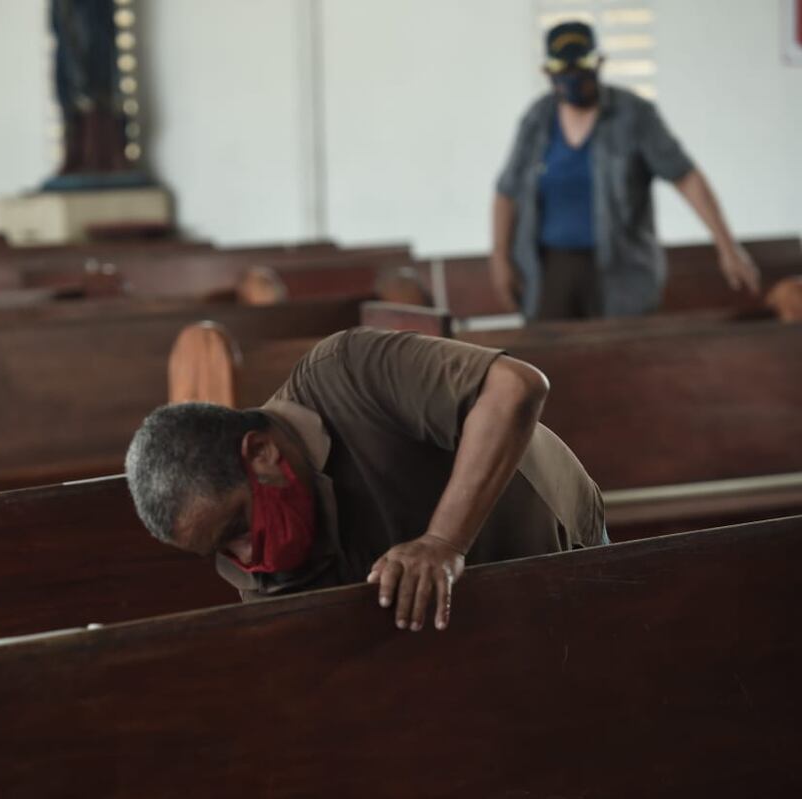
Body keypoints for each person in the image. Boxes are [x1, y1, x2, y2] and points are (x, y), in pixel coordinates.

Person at [125, 327, 606, 631]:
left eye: (237, 528)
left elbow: (515, 388)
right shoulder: (258, 573)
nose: (248, 559)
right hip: (461, 622)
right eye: (221, 551)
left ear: (262, 452)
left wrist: (442, 541)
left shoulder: (345, 372)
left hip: (551, 543)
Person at [491, 20, 760, 320]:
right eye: (563, 69)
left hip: (622, 271)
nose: (573, 77)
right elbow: (507, 192)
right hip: (550, 272)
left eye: (582, 66)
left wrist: (727, 248)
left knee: (624, 359)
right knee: (550, 362)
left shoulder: (635, 115)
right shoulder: (537, 119)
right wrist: (500, 257)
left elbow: (685, 177)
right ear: (549, 72)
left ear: (599, 62)